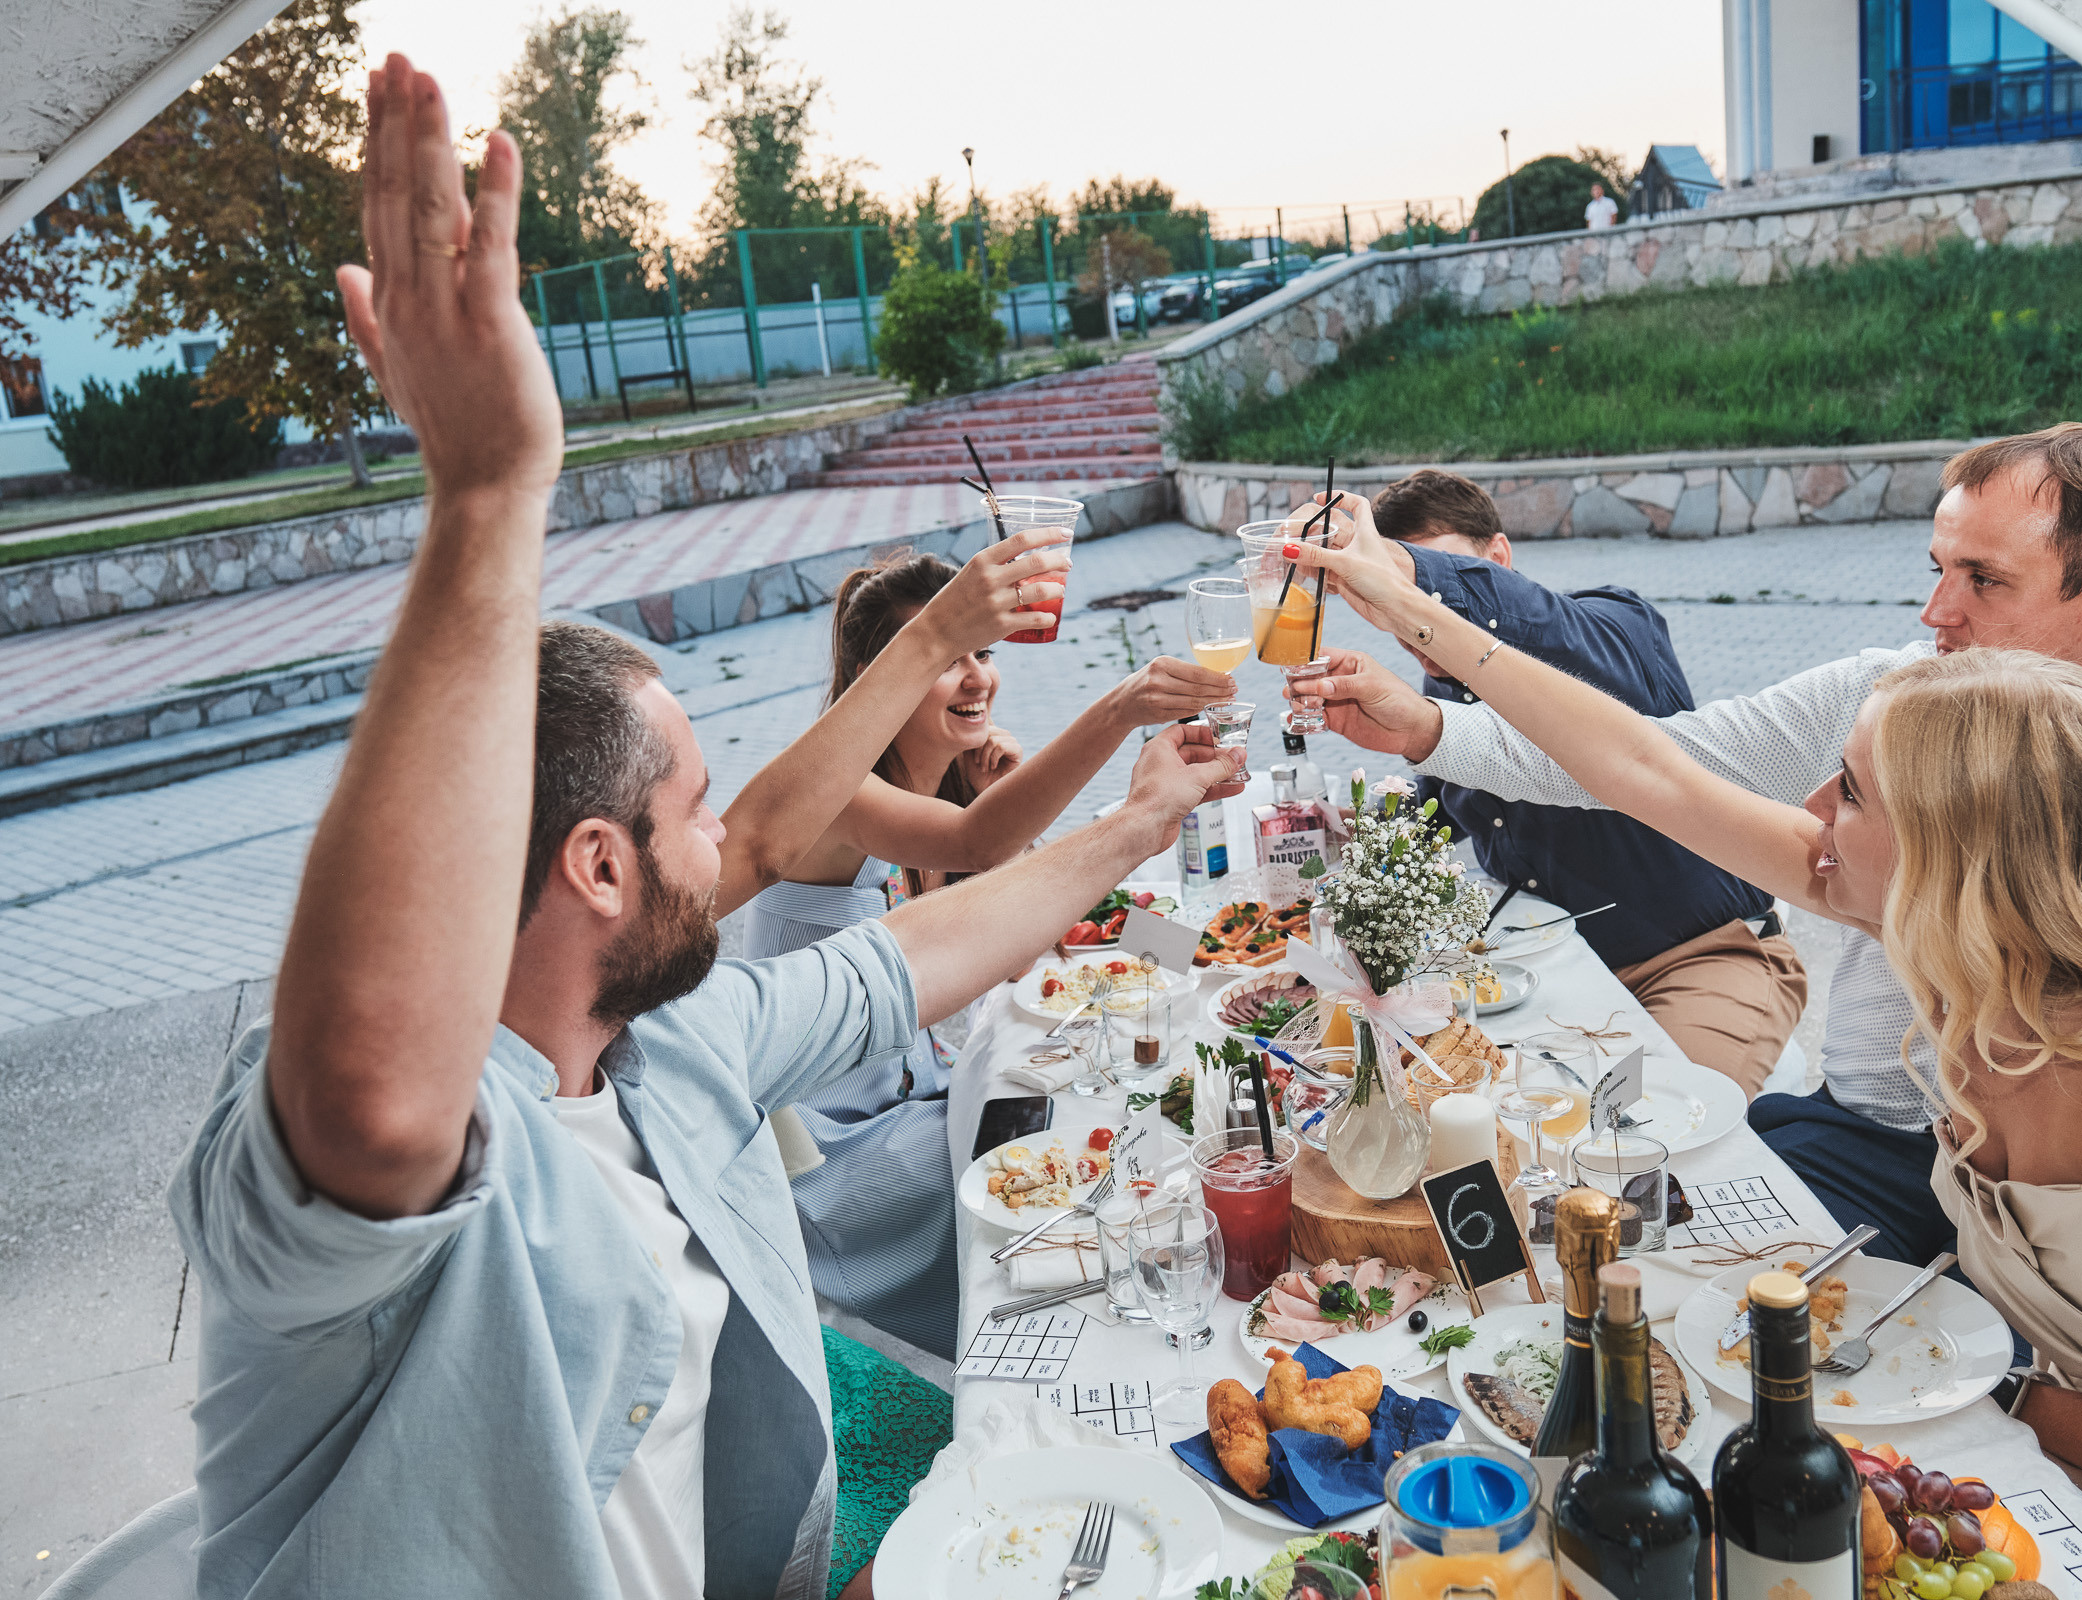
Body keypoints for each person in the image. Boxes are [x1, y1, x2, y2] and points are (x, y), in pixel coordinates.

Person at [170, 59, 1243, 1600]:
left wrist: (1140, 825)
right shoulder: (374, 1174)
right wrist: (484, 501)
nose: (726, 838)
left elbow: (913, 948)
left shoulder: (664, 1043)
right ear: (599, 870)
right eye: (687, 813)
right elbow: (372, 1100)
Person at [1290, 512, 2082, 1596]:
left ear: (1960, 854)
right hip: (2049, 1417)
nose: (1813, 811)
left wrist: (1986, 1391)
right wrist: (1408, 607)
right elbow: (1648, 768)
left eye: (1854, 791)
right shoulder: (1959, 946)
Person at [1297, 425, 2082, 1266]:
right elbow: (1649, 765)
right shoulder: (1889, 702)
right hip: (1868, 1136)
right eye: (1937, 564)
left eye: (1983, 580)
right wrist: (1434, 717)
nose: (1934, 612)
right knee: (1612, 1239)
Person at [712, 551, 1233, 1356]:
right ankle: (1109, 1349)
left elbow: (1051, 933)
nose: (976, 679)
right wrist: (1121, 709)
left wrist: (1198, 956)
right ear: (876, 676)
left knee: (1111, 1120)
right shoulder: (845, 798)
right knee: (1086, 1160)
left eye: (984, 654)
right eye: (947, 657)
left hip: (920, 1103)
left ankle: (1131, 1327)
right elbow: (980, 842)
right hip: (836, 1158)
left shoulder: (950, 786)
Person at [1347, 469, 1805, 1093]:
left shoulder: (1617, 629)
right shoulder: (1443, 687)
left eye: (1434, 576)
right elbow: (1442, 799)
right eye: (1389, 599)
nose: (1414, 619)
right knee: (1449, 1107)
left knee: (1649, 1139)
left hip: (1705, 956)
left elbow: (1550, 627)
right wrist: (1364, 832)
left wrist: (1415, 581)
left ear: (1497, 557)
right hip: (1550, 969)